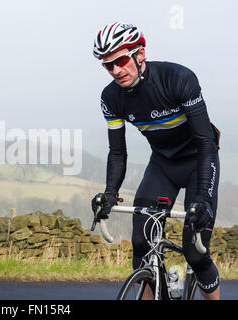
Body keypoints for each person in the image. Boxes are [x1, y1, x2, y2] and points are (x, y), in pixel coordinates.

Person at [91, 22, 221, 300]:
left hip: (199, 160)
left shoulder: (179, 78)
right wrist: (110, 194)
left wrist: (203, 198)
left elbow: (206, 142)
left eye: (121, 60)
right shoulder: (110, 97)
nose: (115, 71)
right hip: (163, 164)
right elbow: (117, 152)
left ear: (140, 54)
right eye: (107, 65)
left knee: (195, 252)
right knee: (141, 244)